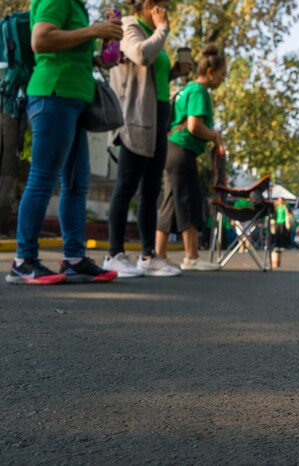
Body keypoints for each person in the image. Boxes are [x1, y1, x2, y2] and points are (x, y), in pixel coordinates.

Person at [6, 0, 123, 285]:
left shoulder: (77, 6)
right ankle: (24, 261)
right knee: (43, 178)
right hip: (53, 95)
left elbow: (69, 48)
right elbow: (41, 39)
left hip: (73, 100)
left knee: (75, 182)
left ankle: (74, 259)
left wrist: (99, 57)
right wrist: (93, 31)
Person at [102, 0, 190, 278]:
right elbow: (140, 54)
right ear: (149, 4)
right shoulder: (129, 25)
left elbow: (152, 68)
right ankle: (114, 254)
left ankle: (148, 256)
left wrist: (175, 71)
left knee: (150, 191)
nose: (165, 10)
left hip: (157, 120)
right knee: (126, 186)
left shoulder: (150, 31)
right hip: (136, 120)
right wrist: (162, 29)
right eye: (162, 4)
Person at [155, 44, 226, 271]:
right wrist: (214, 136)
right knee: (188, 199)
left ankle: (159, 254)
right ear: (210, 72)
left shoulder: (186, 89)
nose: (223, 79)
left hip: (169, 147)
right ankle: (192, 256)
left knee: (168, 204)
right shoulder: (199, 91)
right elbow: (195, 126)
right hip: (182, 149)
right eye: (222, 74)